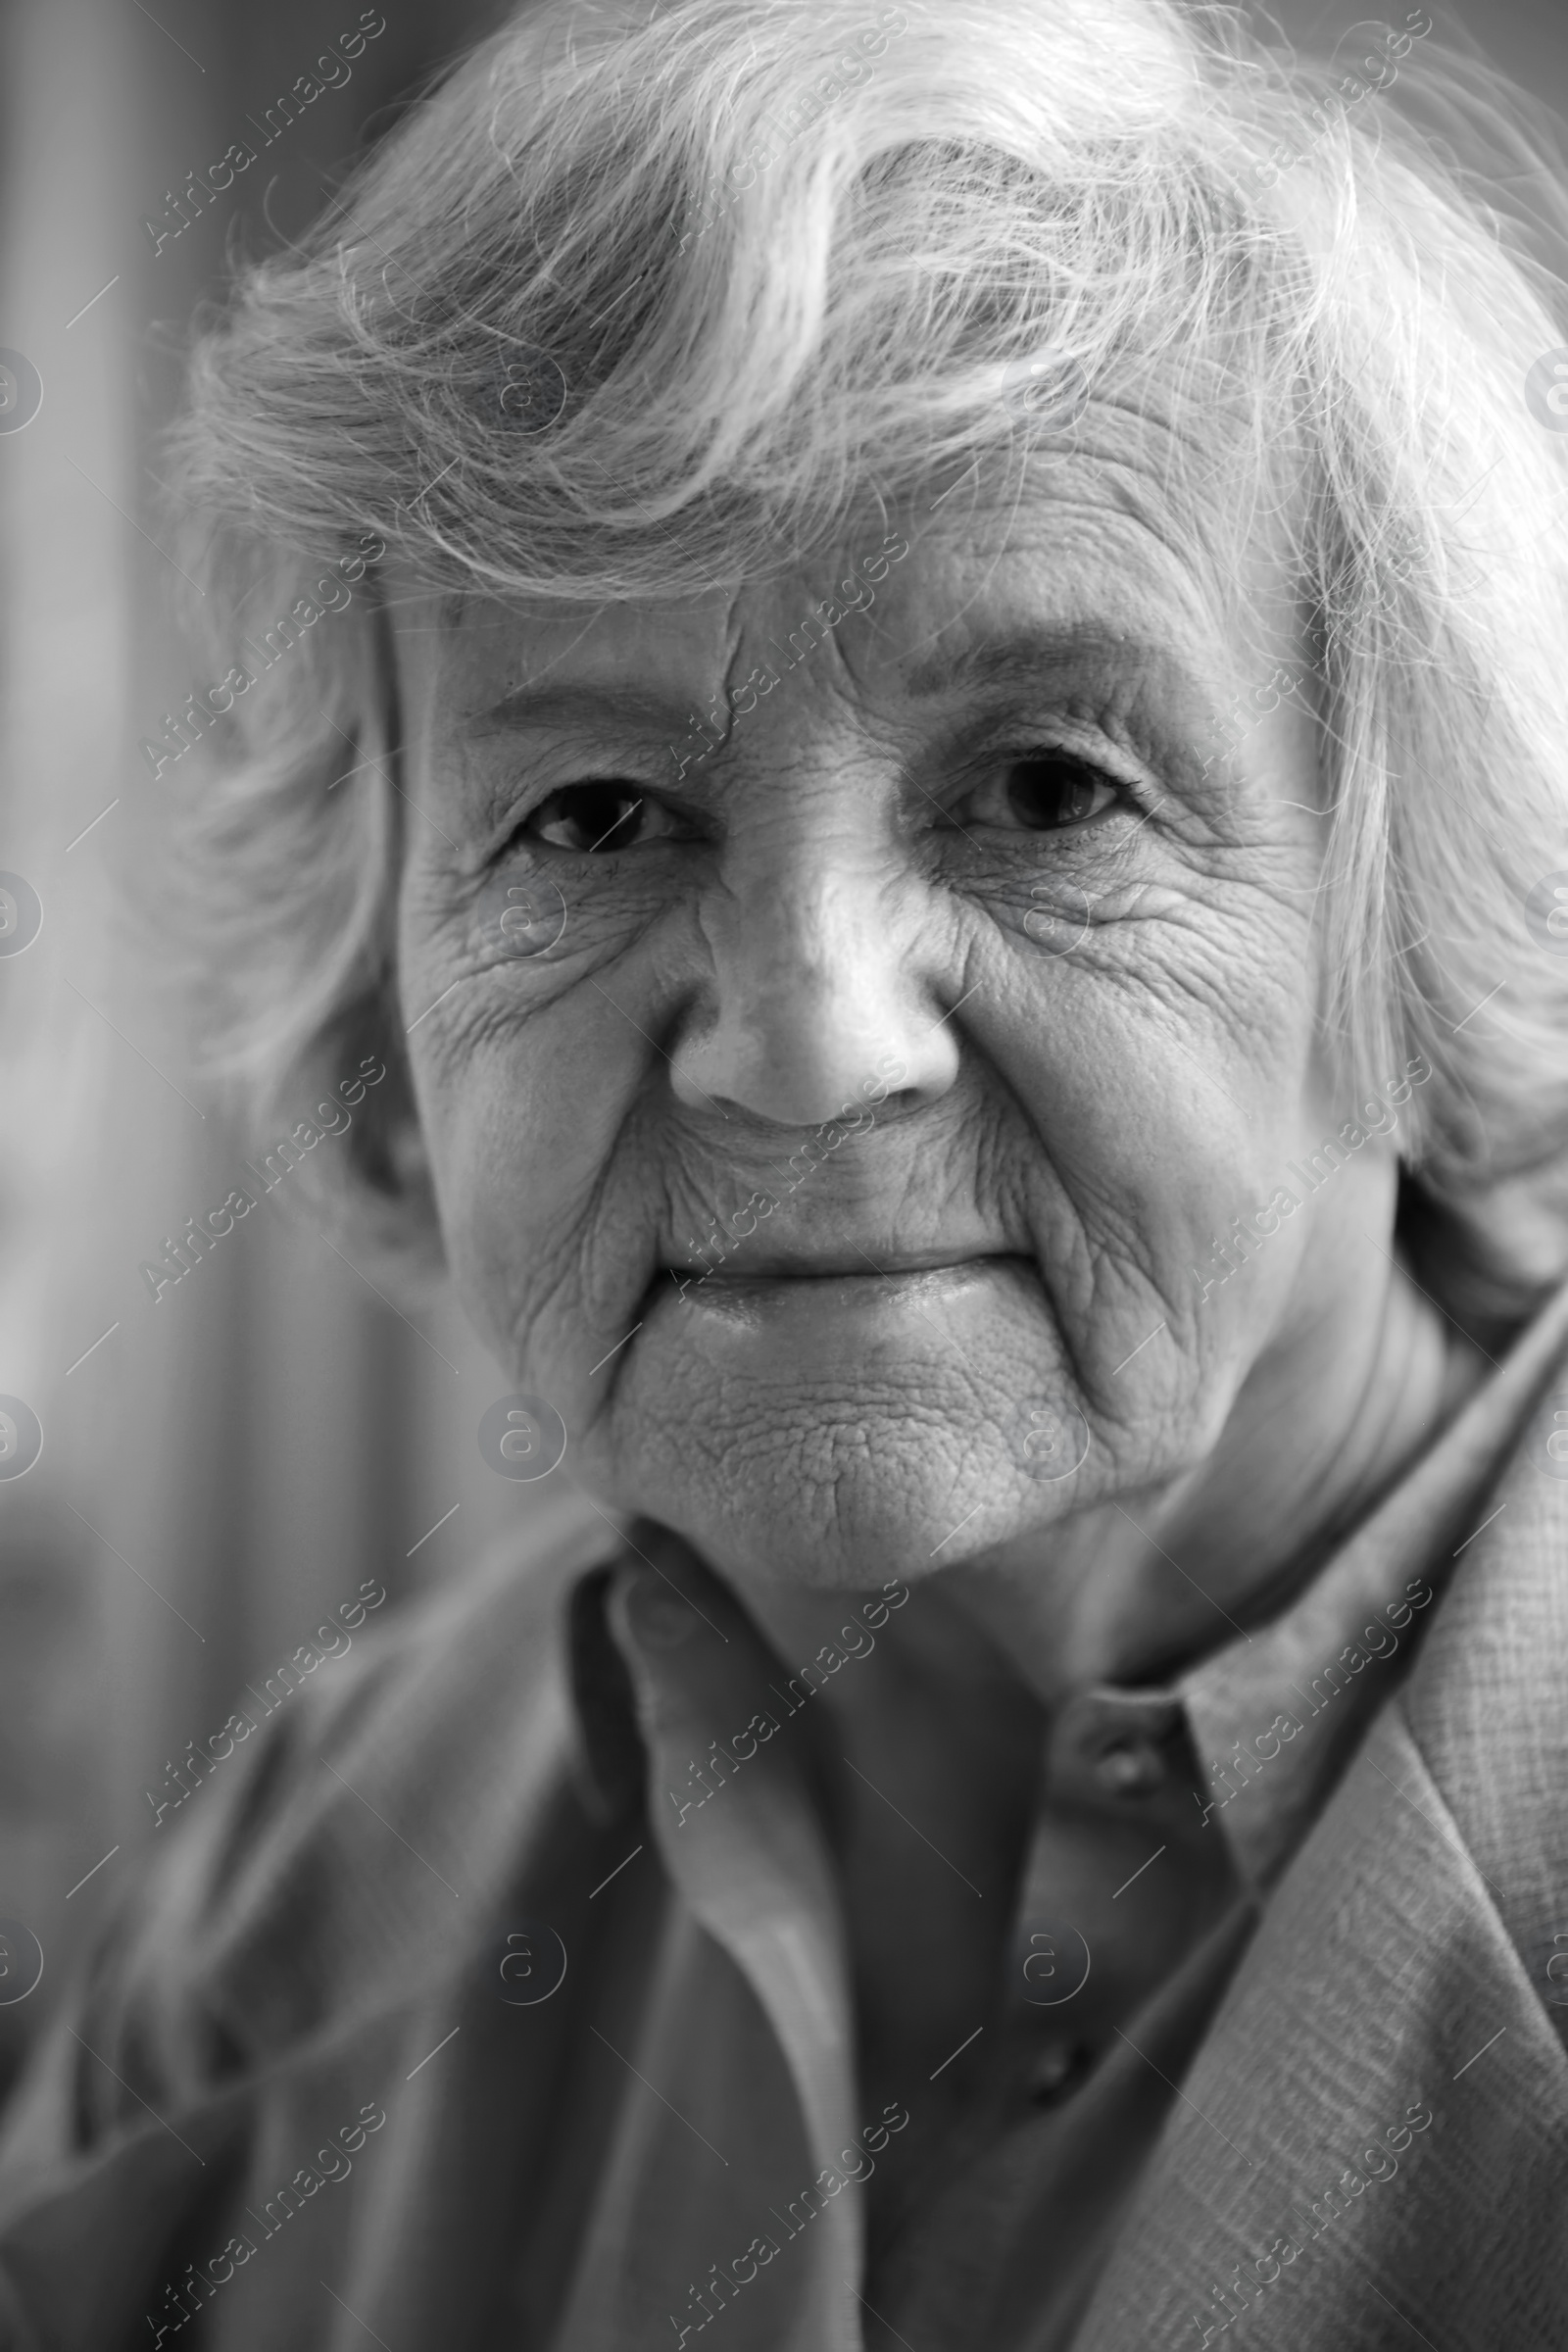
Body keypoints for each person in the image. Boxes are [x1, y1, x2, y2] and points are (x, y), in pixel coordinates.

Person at [4, 0, 1568, 2343]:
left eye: (1047, 788)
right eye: (595, 819)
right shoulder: (295, 1893)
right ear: (387, 1032)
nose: (805, 1044)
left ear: (1417, 922)